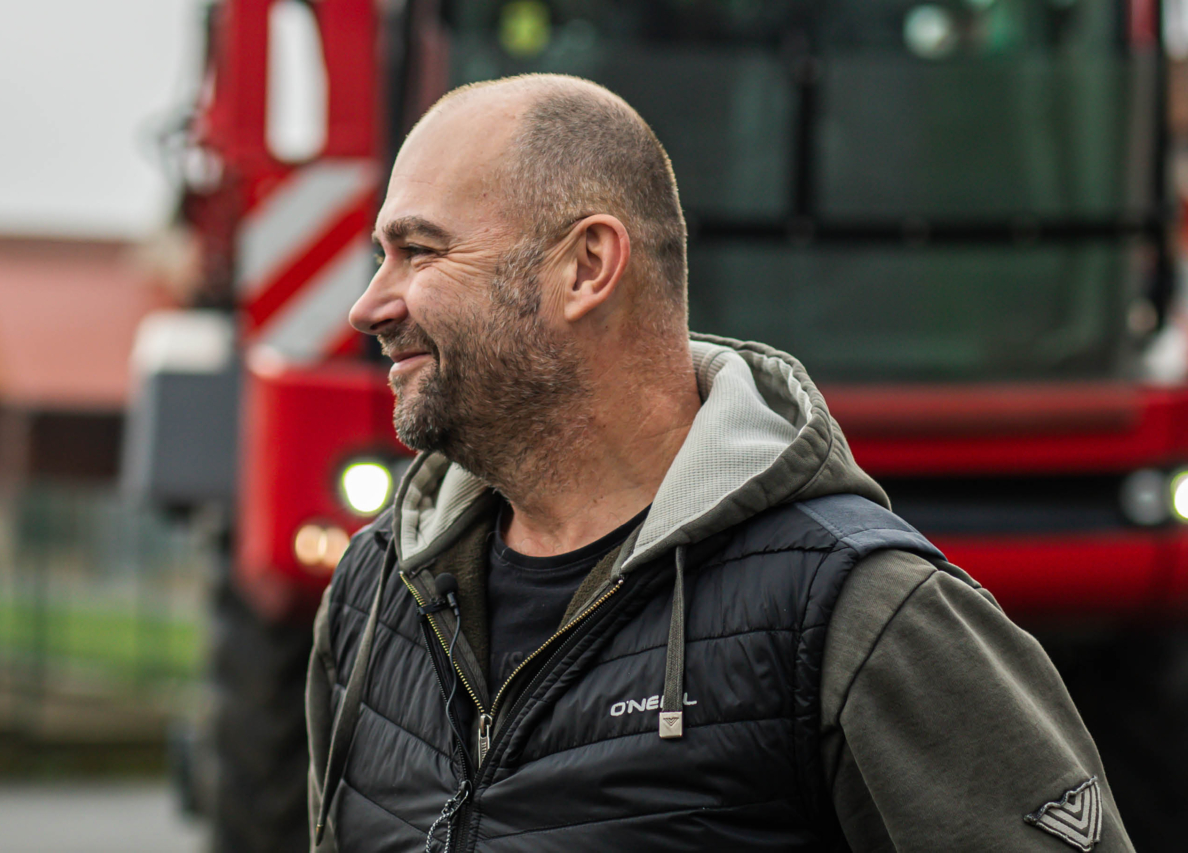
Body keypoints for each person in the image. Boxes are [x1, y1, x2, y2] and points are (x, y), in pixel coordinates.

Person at [304, 73, 1134, 853]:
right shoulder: (377, 592)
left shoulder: (862, 614)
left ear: (586, 267)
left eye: (419, 251)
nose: (368, 304)